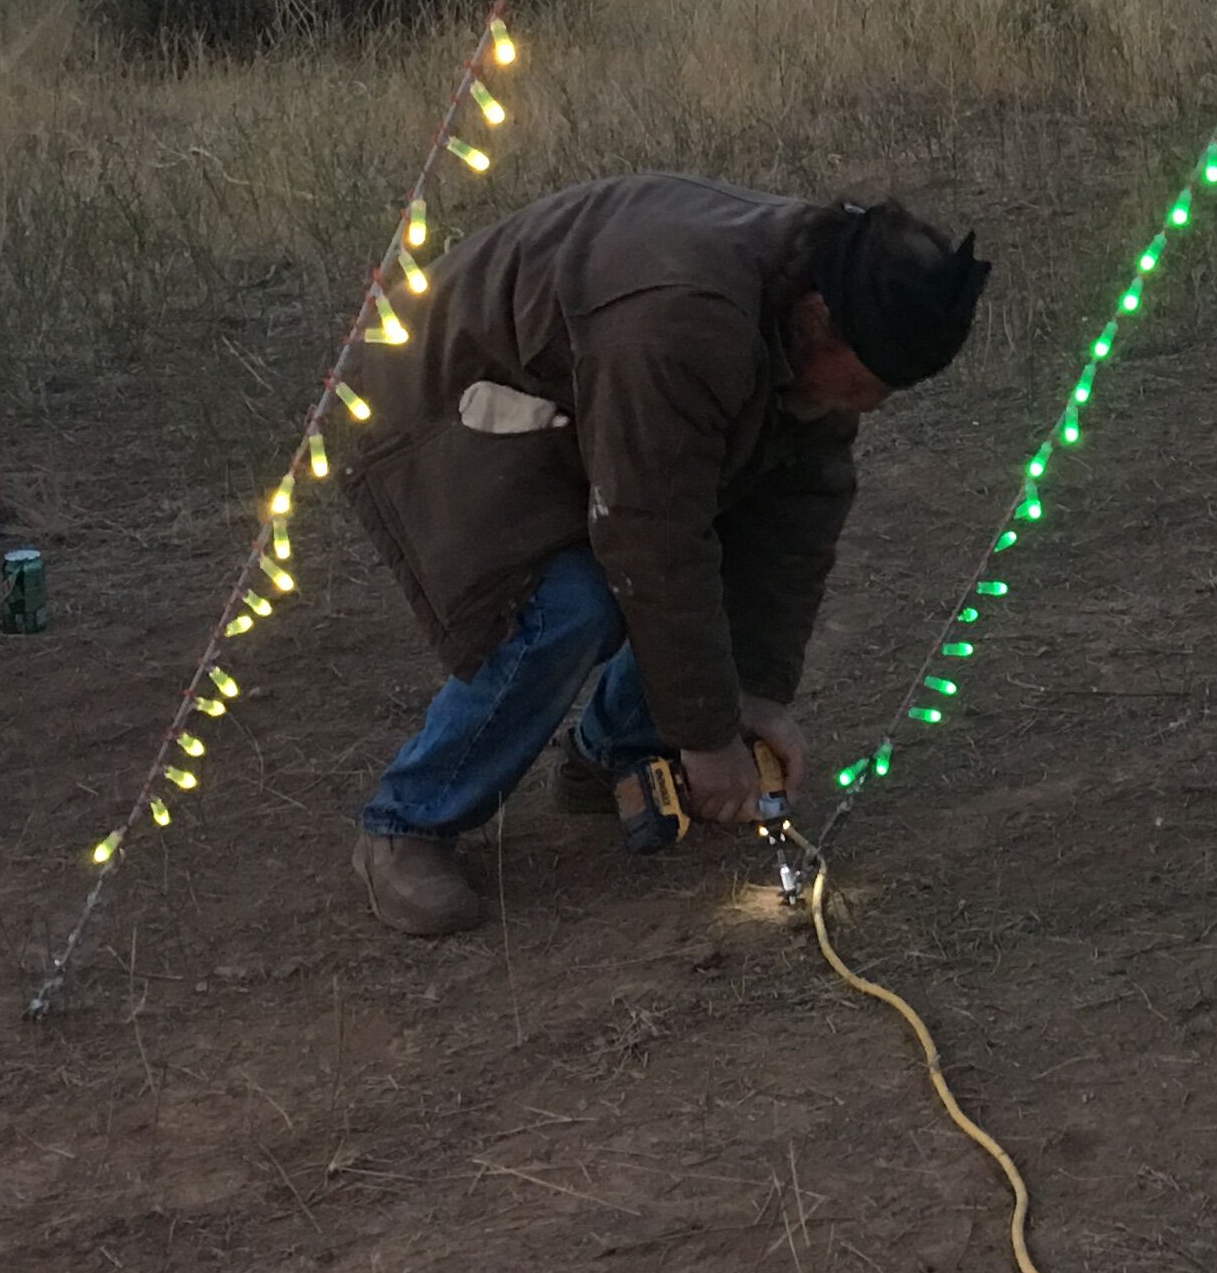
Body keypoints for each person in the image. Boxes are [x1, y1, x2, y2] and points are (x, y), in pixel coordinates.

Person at [337, 173, 989, 937]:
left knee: (700, 541)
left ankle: (609, 753)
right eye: (874, 383)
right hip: (439, 404)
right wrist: (707, 736)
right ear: (822, 317)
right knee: (570, 605)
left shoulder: (813, 308)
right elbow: (649, 536)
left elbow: (794, 523)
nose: (875, 404)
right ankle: (406, 823)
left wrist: (752, 690)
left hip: (575, 410)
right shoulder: (683, 319)